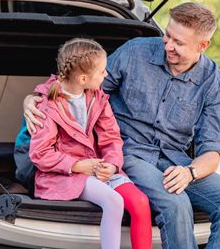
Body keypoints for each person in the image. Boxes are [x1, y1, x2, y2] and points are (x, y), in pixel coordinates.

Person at [24, 3, 220, 249]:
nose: (168, 45)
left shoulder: (214, 82)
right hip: (129, 152)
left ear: (202, 46)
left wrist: (190, 172)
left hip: (179, 162)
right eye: (167, 35)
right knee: (176, 203)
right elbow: (84, 82)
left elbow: (211, 151)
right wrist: (36, 96)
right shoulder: (135, 52)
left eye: (179, 42)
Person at [28, 38, 152, 249]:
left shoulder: (98, 98)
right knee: (114, 201)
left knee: (141, 203)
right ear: (83, 78)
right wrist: (77, 165)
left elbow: (111, 137)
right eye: (102, 71)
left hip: (97, 168)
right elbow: (39, 153)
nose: (106, 75)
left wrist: (112, 165)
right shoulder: (47, 105)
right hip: (62, 175)